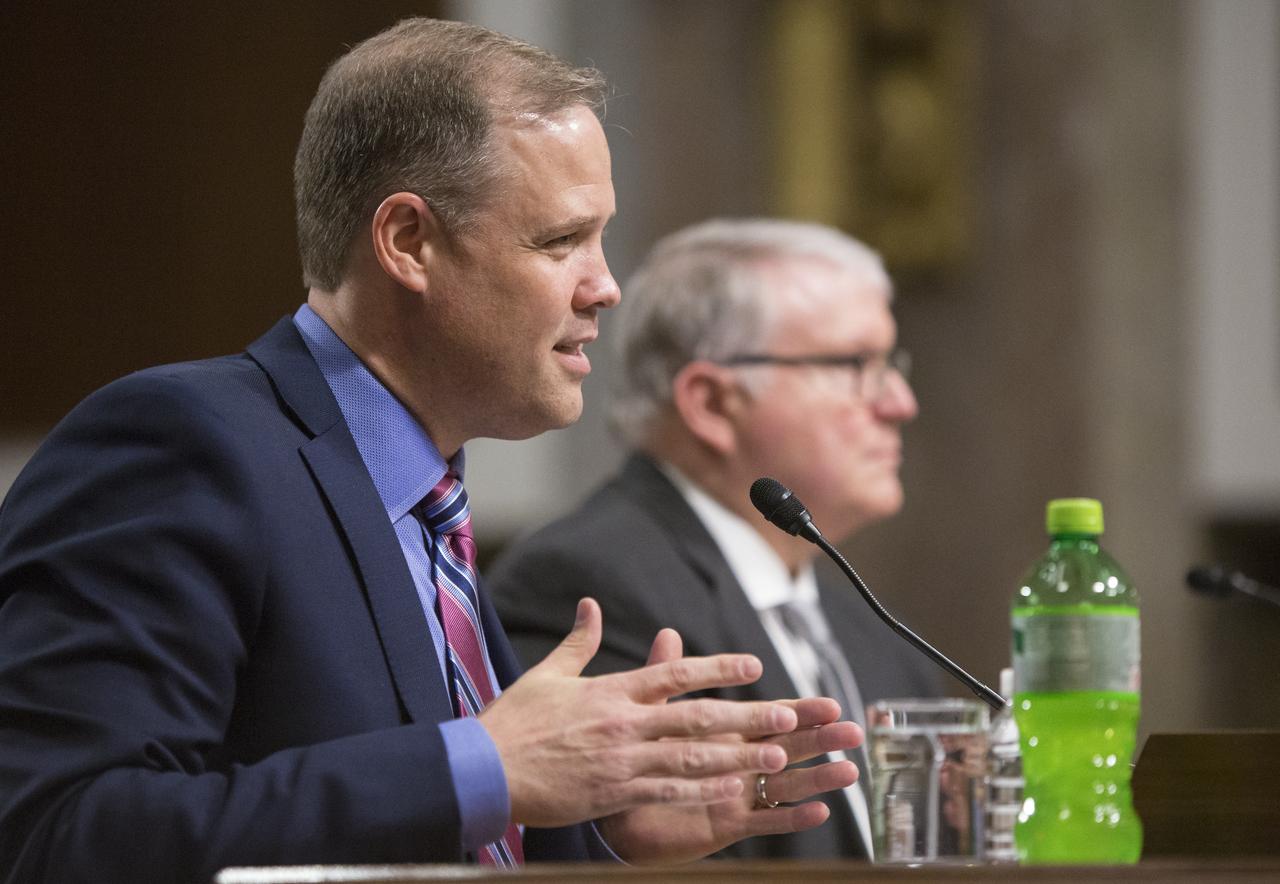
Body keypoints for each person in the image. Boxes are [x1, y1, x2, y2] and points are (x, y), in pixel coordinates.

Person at [0, 21, 862, 884]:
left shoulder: (425, 501)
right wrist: (484, 766)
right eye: (560, 241)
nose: (606, 286)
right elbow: (58, 834)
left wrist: (596, 837)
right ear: (408, 242)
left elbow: (442, 822)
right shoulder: (182, 446)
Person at [488, 217, 944, 861]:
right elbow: (586, 849)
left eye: (891, 363)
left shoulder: (876, 635)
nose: (900, 402)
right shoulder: (590, 586)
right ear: (711, 403)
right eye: (857, 365)